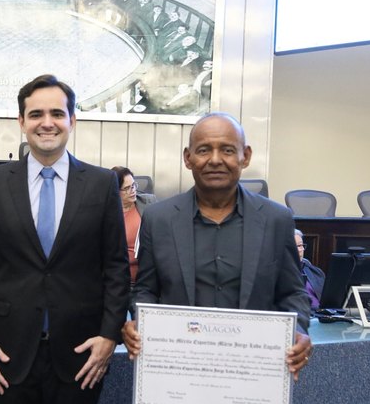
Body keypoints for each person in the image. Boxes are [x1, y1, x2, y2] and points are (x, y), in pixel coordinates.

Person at [0, 74, 129, 404]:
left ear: (72, 120)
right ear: (21, 121)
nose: (47, 123)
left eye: (57, 113)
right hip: (7, 355)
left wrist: (110, 336)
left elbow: (115, 268)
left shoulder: (101, 184)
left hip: (82, 355)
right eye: (36, 114)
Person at [122, 112, 313, 381]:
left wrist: (300, 329)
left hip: (252, 374)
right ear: (188, 158)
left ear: (245, 156)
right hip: (178, 375)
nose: (214, 160)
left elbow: (293, 293)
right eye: (203, 150)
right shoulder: (159, 219)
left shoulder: (276, 220)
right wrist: (140, 321)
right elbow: (145, 289)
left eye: (227, 150)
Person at [111, 166, 157, 286]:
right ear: (115, 190)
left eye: (134, 185)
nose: (132, 190)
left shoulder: (148, 203)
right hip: (119, 280)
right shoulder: (107, 212)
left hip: (146, 277)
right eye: (126, 188)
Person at [295, 228, 325, 311]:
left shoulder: (316, 272)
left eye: (300, 245)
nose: (300, 250)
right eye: (294, 246)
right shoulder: (273, 274)